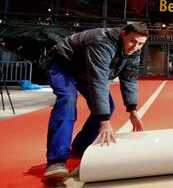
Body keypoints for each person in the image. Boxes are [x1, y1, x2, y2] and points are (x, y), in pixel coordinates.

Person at [43, 23, 149, 181]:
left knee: (109, 106)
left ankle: (79, 147)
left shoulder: (133, 51)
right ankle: (56, 161)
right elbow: (98, 80)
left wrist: (132, 109)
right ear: (122, 34)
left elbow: (129, 79)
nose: (135, 46)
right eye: (132, 41)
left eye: (140, 43)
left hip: (85, 72)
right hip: (63, 66)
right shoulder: (101, 41)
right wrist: (104, 121)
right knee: (68, 100)